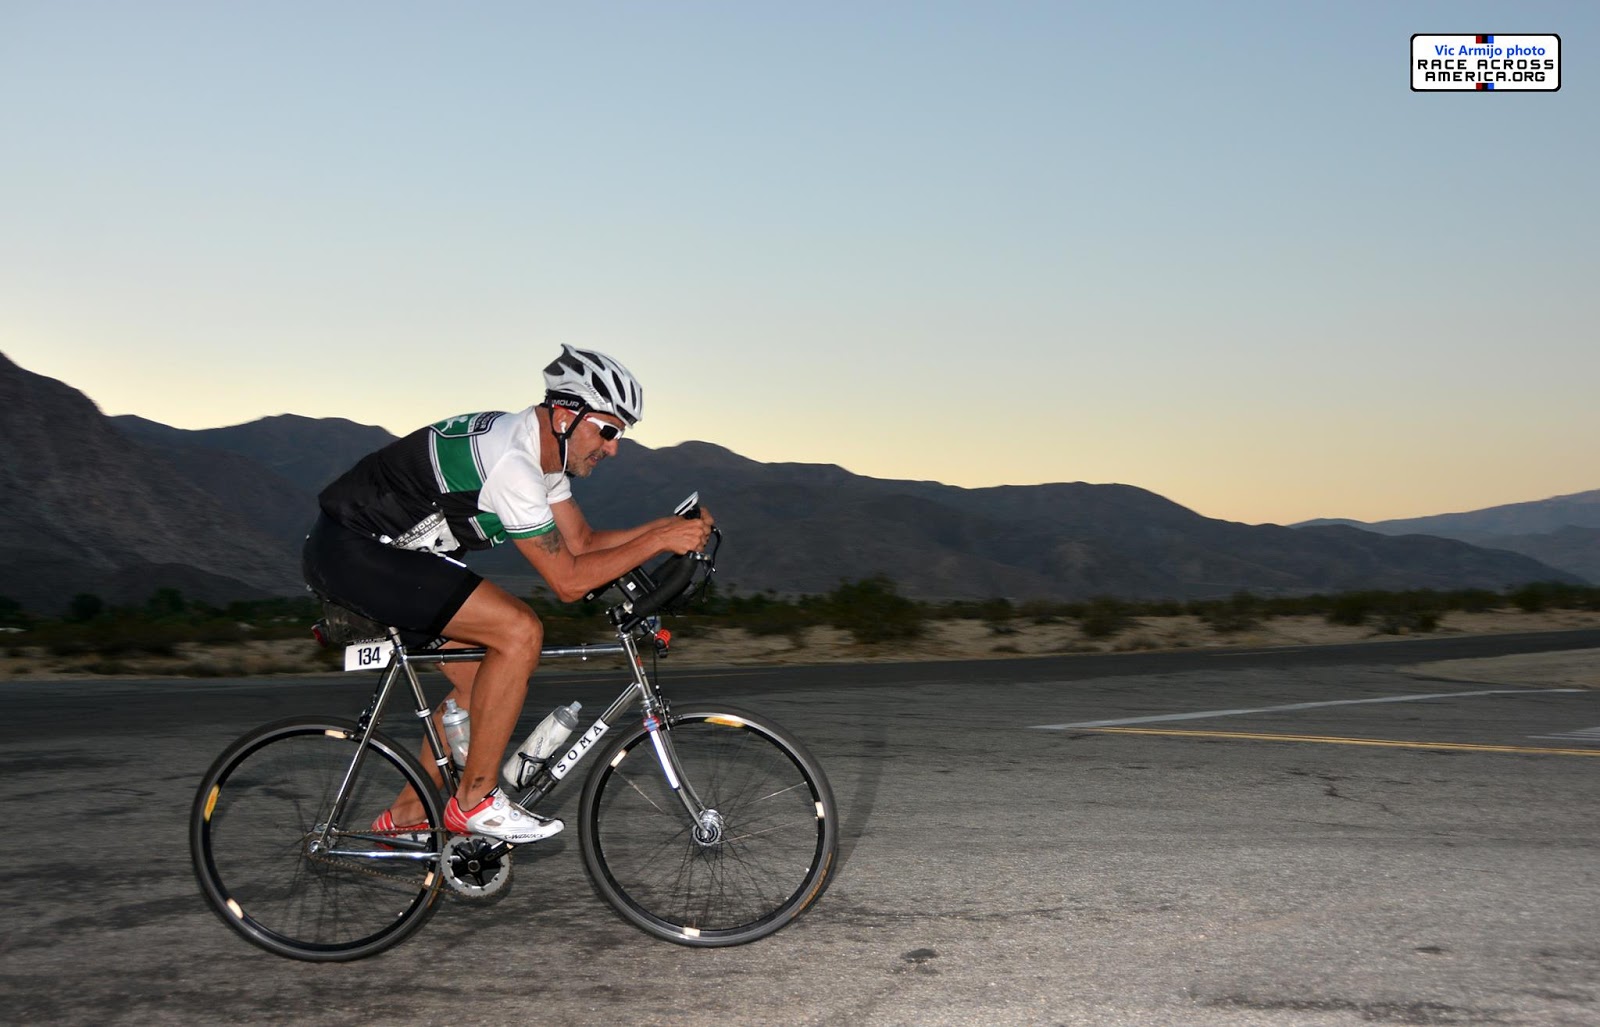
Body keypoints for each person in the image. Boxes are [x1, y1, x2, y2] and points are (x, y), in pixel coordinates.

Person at [302, 345, 713, 844]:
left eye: (619, 435)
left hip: (384, 554)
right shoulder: (514, 464)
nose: (613, 449)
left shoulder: (544, 460)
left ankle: (407, 817)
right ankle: (475, 800)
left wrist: (667, 529)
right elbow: (568, 581)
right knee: (519, 631)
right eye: (608, 431)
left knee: (482, 683)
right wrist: (660, 540)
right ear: (565, 416)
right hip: (355, 550)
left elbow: (582, 544)